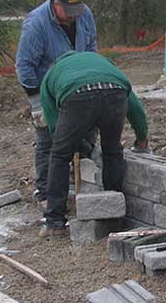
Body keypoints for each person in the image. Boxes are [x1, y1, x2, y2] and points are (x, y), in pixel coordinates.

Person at [37, 51, 149, 237]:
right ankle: (114, 216)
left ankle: (55, 222)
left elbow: (56, 129)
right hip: (116, 92)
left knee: (60, 156)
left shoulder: (51, 75)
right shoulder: (106, 67)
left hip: (76, 95)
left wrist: (82, 147)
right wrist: (142, 140)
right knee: (112, 151)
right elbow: (136, 109)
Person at [15, 0, 98, 205]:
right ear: (56, 3)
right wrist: (37, 103)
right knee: (49, 140)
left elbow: (91, 47)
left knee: (87, 134)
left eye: (76, 11)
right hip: (48, 92)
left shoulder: (84, 14)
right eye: (68, 12)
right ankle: (45, 192)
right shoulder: (36, 24)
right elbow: (24, 66)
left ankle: (80, 182)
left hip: (78, 86)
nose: (73, 16)